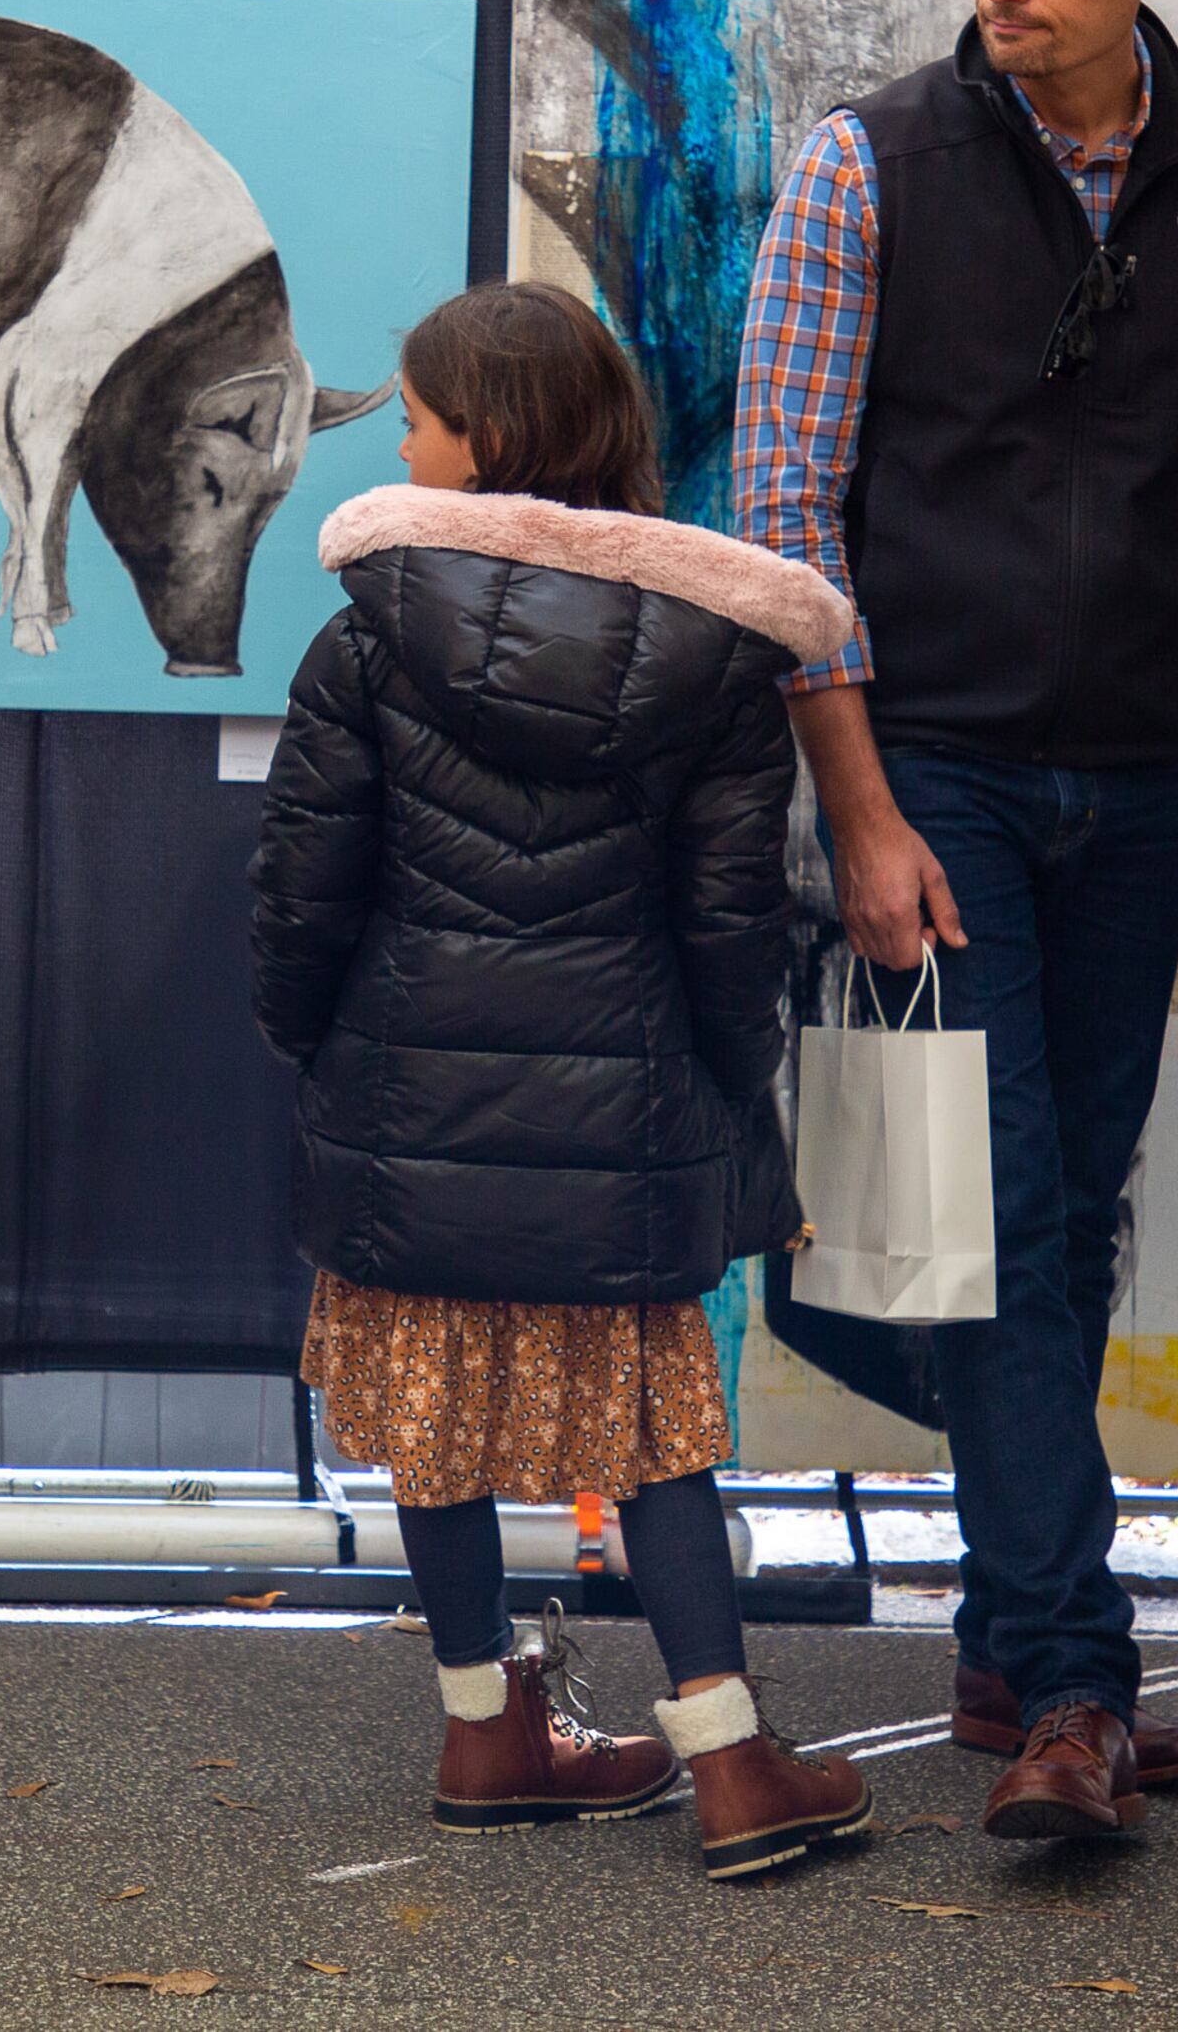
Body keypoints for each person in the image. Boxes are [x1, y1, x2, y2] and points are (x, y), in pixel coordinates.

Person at [730, 0, 1178, 1841]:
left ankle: (1008, 1641)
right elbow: (784, 517)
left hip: (1140, 782)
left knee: (1066, 1217)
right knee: (987, 1225)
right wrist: (865, 811)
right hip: (932, 778)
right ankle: (1081, 1688)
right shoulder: (865, 168)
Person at [250, 282, 867, 1880]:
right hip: (632, 1103)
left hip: (411, 1104)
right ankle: (729, 1769)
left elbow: (300, 895)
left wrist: (313, 1049)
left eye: (417, 415)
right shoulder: (724, 663)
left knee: (437, 1425)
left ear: (495, 440)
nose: (399, 440)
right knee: (656, 1432)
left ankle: (485, 1735)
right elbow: (739, 927)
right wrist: (732, 1095)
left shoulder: (365, 635)